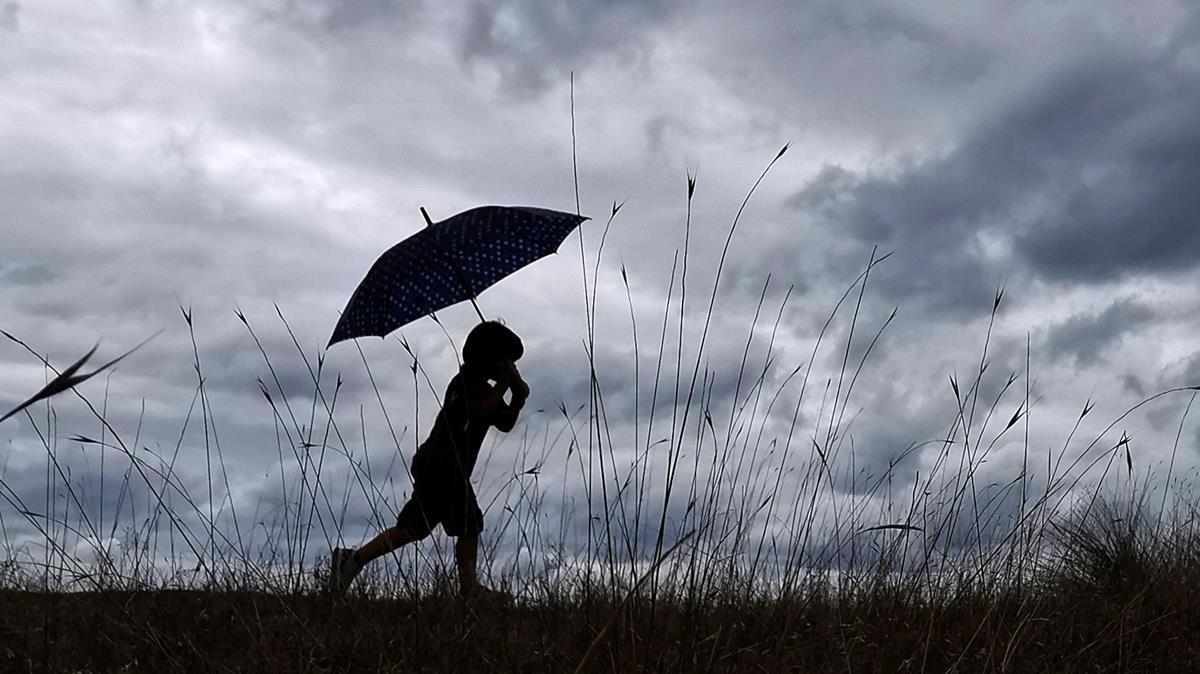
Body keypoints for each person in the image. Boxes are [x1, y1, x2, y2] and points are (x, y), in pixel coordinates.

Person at [330, 321, 529, 599]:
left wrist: (518, 399)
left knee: (413, 528)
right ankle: (469, 588)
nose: (509, 367)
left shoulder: (484, 388)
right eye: (506, 361)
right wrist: (508, 385)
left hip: (439, 468)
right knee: (469, 524)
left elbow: (505, 422)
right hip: (444, 467)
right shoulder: (467, 382)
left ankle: (353, 559)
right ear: (490, 358)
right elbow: (478, 409)